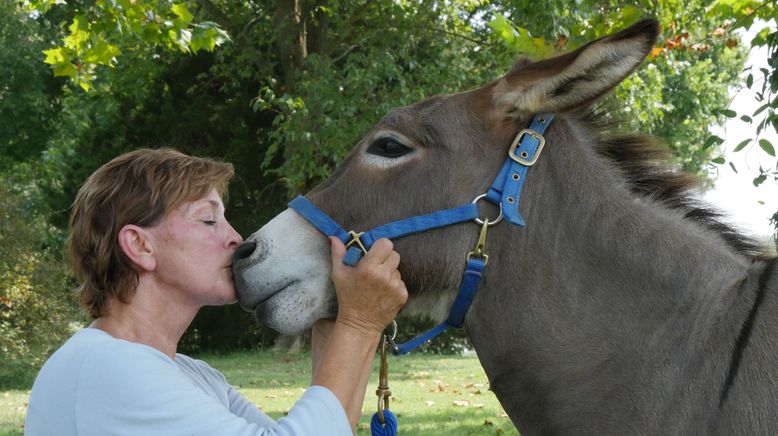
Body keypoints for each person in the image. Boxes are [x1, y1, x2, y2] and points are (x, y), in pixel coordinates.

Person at [24, 148, 408, 435]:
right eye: (208, 219)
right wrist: (359, 323)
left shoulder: (191, 375)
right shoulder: (110, 368)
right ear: (141, 246)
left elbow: (326, 426)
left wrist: (338, 314)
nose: (235, 237)